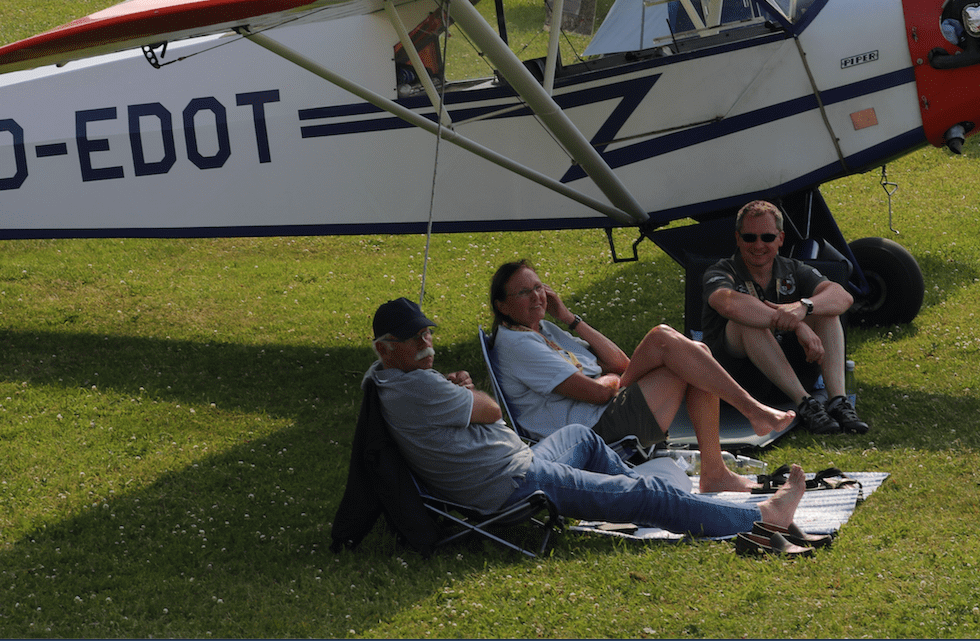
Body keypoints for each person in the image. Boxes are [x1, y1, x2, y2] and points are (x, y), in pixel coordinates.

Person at [367, 297, 810, 545]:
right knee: (642, 492)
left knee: (581, 439)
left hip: (518, 460)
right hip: (513, 483)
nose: (426, 345)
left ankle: (635, 499)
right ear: (385, 348)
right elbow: (490, 410)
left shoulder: (389, 378)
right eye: (413, 339)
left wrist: (456, 388)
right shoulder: (418, 386)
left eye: (427, 334)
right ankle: (761, 519)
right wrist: (465, 391)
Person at [487, 261, 795, 493]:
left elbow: (619, 363)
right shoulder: (518, 345)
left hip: (605, 409)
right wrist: (610, 383)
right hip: (591, 431)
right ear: (502, 305)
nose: (537, 297)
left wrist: (570, 318)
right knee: (666, 341)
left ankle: (715, 471)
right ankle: (750, 413)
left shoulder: (543, 329)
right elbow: (598, 392)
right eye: (524, 292)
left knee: (696, 352)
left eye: (539, 287)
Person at [702, 200, 868, 436]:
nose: (758, 245)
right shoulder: (721, 271)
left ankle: (838, 401)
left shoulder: (792, 268)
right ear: (738, 239)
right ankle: (806, 404)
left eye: (767, 238)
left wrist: (803, 307)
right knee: (748, 322)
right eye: (750, 238)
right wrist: (796, 324)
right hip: (739, 387)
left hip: (787, 379)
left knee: (826, 311)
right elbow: (727, 303)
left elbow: (842, 296)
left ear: (780, 239)